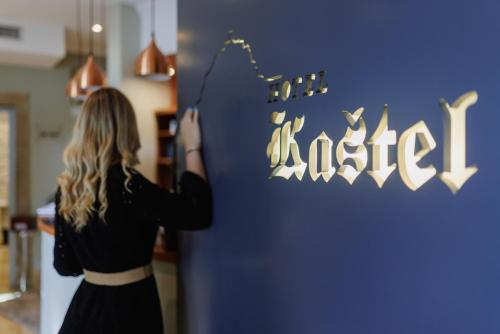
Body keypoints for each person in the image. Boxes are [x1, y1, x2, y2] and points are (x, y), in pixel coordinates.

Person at [53, 88, 211, 333]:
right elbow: (196, 211)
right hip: (132, 310)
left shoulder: (68, 188)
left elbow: (65, 266)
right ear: (126, 129)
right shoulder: (131, 186)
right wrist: (192, 147)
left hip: (85, 312)